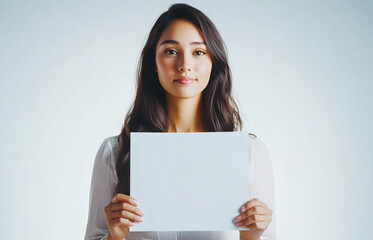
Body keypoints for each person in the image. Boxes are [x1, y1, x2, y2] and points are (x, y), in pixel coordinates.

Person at [84, 3, 277, 240]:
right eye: (171, 51)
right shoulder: (116, 152)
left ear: (212, 62)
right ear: (153, 63)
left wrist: (252, 237)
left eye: (198, 52)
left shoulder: (249, 153)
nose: (184, 65)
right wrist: (114, 236)